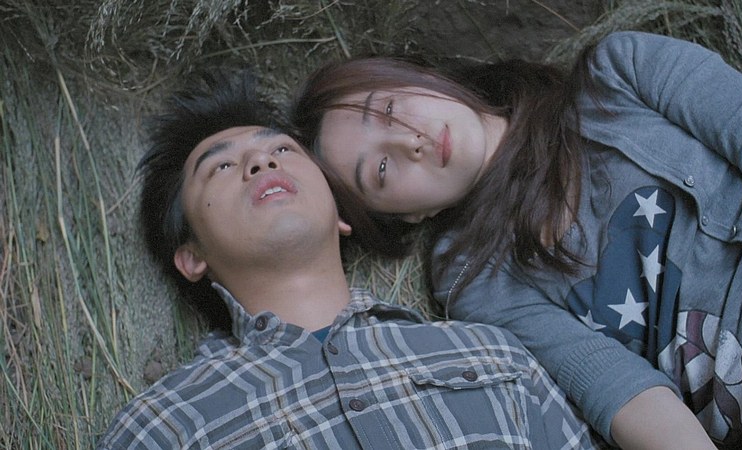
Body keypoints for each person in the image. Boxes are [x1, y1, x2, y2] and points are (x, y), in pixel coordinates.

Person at [288, 30, 742, 450]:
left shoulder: (621, 72)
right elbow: (621, 392)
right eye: (381, 170)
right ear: (406, 217)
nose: (410, 141)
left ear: (421, 76)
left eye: (387, 108)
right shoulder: (477, 281)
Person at [96, 71, 606, 449]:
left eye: (283, 150)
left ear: (341, 214)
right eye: (221, 167)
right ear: (191, 258)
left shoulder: (493, 356)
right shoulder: (162, 429)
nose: (260, 161)